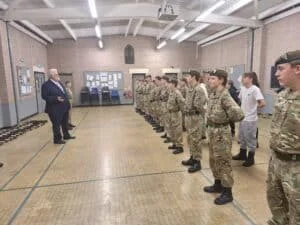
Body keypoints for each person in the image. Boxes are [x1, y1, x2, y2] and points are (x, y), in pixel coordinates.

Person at [267, 50, 300, 225]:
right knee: (276, 206)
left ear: (298, 69)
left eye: (281, 68)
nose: (276, 73)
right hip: (276, 162)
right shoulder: (282, 95)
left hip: (296, 167)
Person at [203, 69, 244, 205]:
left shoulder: (225, 95)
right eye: (209, 79)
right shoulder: (214, 94)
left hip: (221, 132)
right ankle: (218, 183)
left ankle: (227, 192)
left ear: (221, 80)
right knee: (214, 160)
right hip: (213, 131)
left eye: (213, 78)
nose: (210, 81)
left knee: (224, 162)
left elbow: (239, 114)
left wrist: (227, 118)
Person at [232, 72, 265, 167]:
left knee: (250, 139)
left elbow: (262, 103)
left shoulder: (255, 89)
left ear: (250, 79)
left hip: (250, 119)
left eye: (244, 78)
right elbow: (240, 101)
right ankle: (242, 154)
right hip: (242, 118)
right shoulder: (242, 89)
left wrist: (253, 109)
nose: (242, 80)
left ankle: (251, 158)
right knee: (241, 137)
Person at [181, 70, 207, 173]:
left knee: (196, 140)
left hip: (195, 118)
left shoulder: (199, 89)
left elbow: (199, 106)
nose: (187, 78)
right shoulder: (190, 89)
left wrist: (198, 115)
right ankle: (192, 157)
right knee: (190, 139)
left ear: (194, 77)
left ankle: (197, 162)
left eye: (188, 76)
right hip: (189, 118)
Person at [42, 69, 75, 144]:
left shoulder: (59, 82)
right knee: (56, 124)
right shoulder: (46, 85)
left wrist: (68, 104)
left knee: (65, 122)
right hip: (54, 109)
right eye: (56, 74)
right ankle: (57, 139)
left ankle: (66, 135)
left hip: (64, 107)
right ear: (51, 75)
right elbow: (44, 96)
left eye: (57, 73)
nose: (58, 75)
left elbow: (64, 93)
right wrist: (55, 98)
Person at [167, 79, 185, 154]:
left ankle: (180, 147)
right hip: (171, 114)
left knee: (177, 131)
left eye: (170, 84)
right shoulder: (171, 92)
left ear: (173, 84)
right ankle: (174, 144)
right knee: (172, 129)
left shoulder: (177, 93)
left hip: (176, 114)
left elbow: (182, 105)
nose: (168, 85)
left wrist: (181, 114)